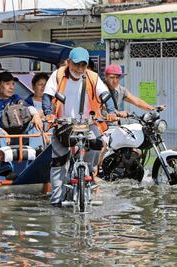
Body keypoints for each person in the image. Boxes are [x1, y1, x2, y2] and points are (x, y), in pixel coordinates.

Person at [42, 47, 117, 207]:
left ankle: (88, 173)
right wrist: (49, 113)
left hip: (88, 123)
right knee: (59, 161)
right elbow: (47, 97)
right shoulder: (58, 75)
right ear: (69, 63)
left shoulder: (92, 77)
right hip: (64, 124)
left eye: (83, 65)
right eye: (76, 65)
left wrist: (111, 111)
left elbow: (105, 95)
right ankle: (56, 200)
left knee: (97, 143)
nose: (80, 69)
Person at [0, 72, 42, 180]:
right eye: (8, 84)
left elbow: (29, 108)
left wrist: (36, 115)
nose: (12, 87)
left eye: (13, 84)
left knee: (34, 125)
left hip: (16, 135)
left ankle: (37, 160)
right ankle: (6, 169)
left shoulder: (16, 98)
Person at [24, 72, 49, 149]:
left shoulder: (52, 103)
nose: (43, 87)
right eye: (40, 84)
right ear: (33, 87)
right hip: (32, 138)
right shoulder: (26, 103)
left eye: (45, 85)